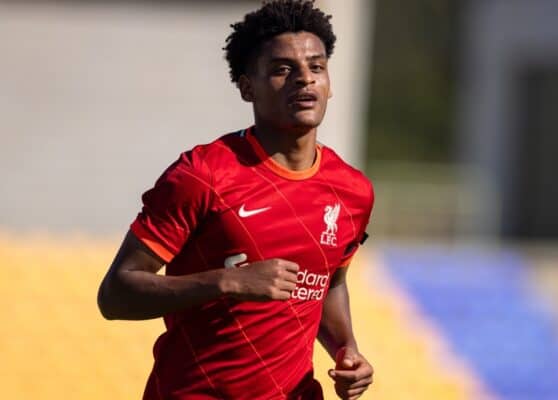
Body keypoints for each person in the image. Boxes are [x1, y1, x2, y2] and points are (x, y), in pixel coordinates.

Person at [97, 1, 374, 399]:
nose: (304, 80)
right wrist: (227, 281)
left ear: (330, 83)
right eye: (283, 70)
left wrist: (346, 349)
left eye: (316, 67)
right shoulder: (203, 173)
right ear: (247, 87)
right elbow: (115, 295)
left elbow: (328, 281)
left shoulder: (353, 191)